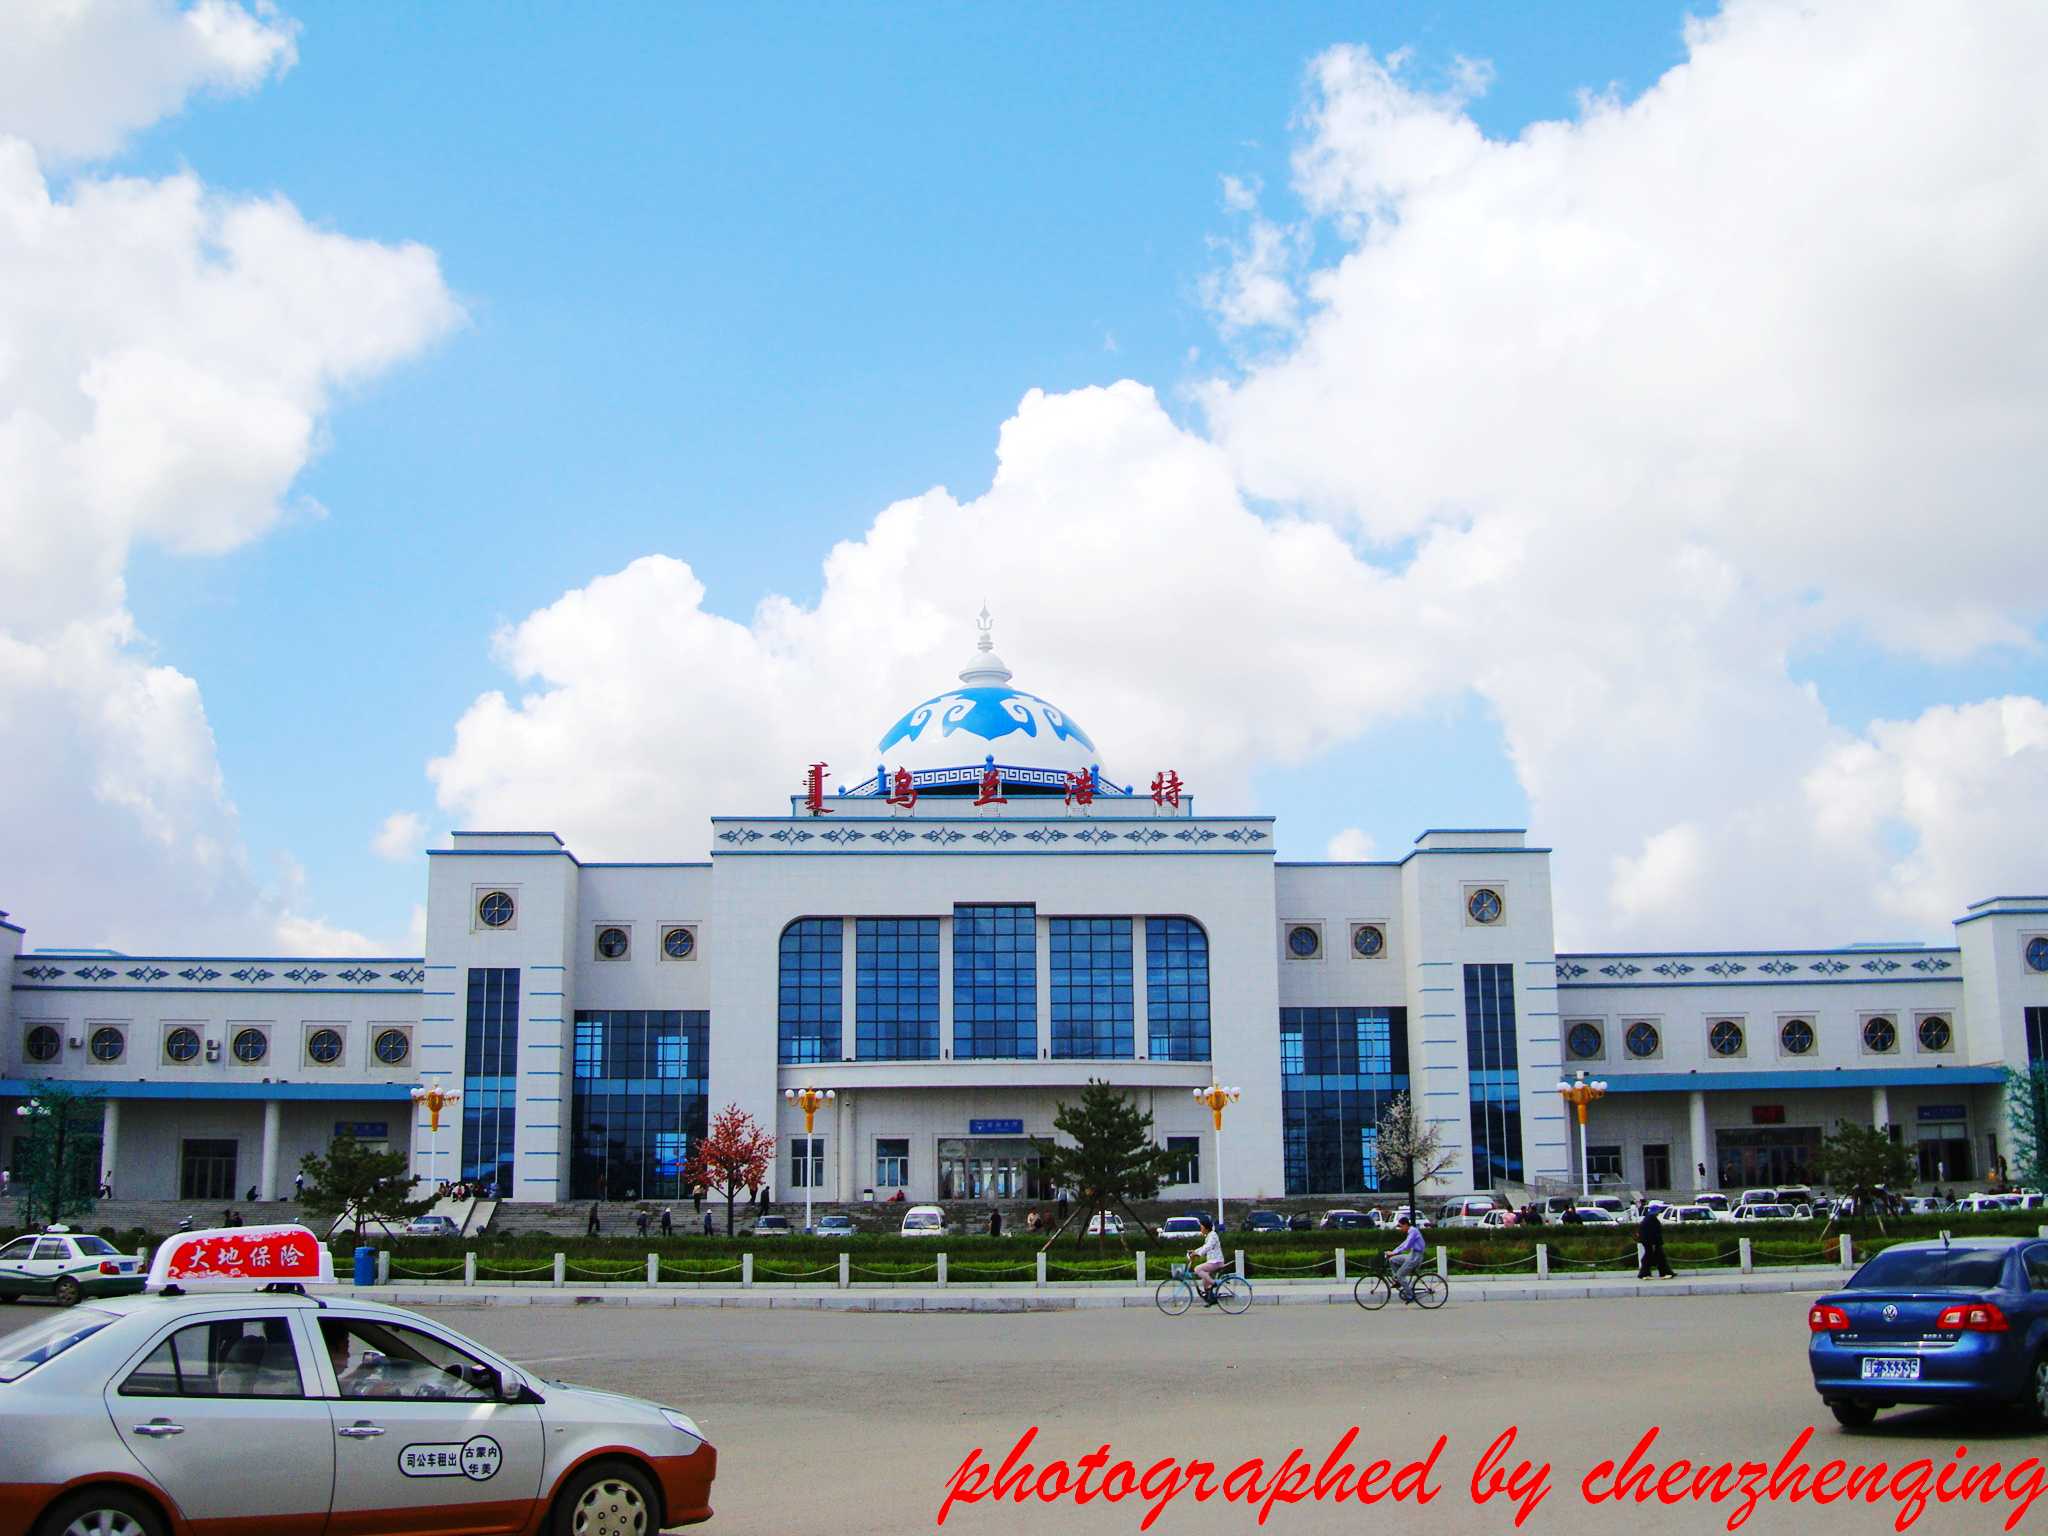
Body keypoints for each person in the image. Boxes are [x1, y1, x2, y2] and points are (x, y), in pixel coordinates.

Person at [1187, 1213, 1226, 1304]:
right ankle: (1211, 1298)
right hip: (1212, 1262)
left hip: (1216, 1262)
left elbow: (1207, 1247)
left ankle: (1214, 1283)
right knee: (1204, 1279)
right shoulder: (1209, 1236)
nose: (1200, 1228)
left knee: (1197, 1269)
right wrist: (1194, 1251)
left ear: (1205, 1227)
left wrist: (1197, 1253)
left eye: (1201, 1226)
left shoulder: (1213, 1235)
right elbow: (1203, 1247)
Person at [1387, 1215, 1426, 1302]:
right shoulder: (1410, 1231)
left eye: (1401, 1226)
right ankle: (1398, 1281)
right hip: (1411, 1255)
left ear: (1405, 1225)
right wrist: (1393, 1252)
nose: (1400, 1229)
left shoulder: (1413, 1232)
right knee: (1392, 1260)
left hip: (1416, 1257)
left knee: (1400, 1275)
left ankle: (1410, 1295)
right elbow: (1403, 1244)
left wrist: (1393, 1253)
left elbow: (1407, 1245)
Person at [1637, 1203, 1675, 1279]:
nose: (1658, 1213)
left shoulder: (1647, 1218)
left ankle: (1647, 1273)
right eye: (1658, 1211)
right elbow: (1654, 1232)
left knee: (1653, 1257)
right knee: (1655, 1257)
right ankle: (1659, 1273)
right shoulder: (1652, 1219)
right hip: (1653, 1242)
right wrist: (1655, 1243)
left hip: (1648, 1241)